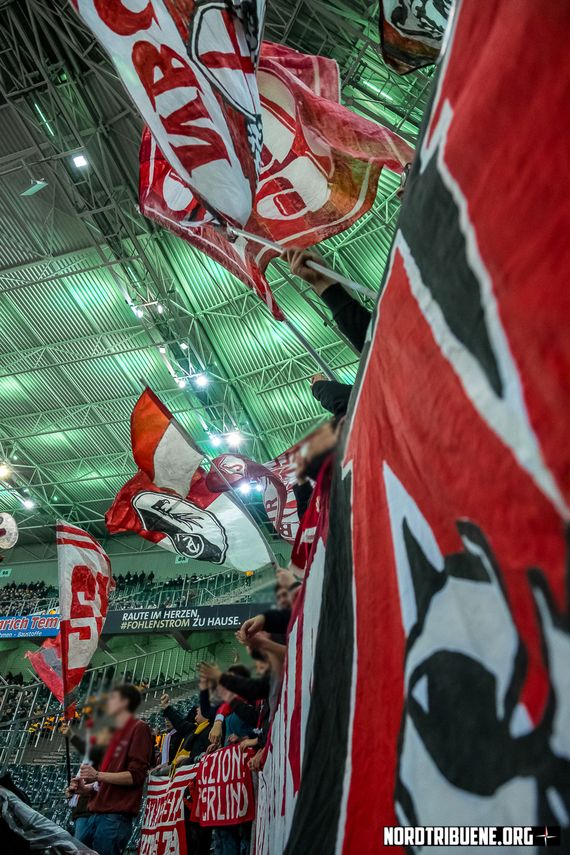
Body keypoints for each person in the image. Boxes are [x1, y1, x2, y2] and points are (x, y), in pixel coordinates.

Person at [70, 684, 154, 855]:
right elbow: (102, 783)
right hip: (96, 814)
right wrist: (85, 789)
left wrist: (98, 775)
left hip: (114, 817)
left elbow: (136, 776)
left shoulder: (139, 728)